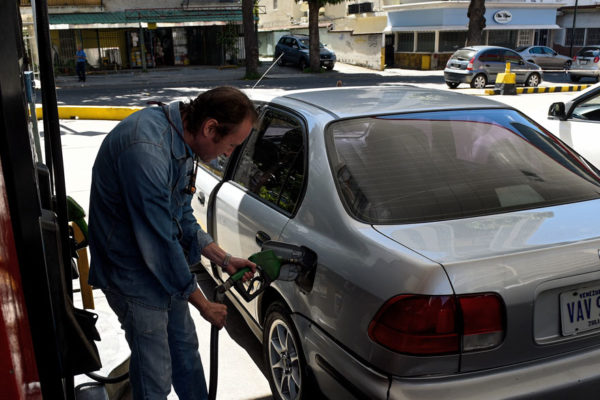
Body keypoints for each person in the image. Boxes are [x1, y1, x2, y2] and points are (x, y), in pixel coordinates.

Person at [88, 86, 258, 400]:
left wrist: (223, 258)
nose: (229, 154)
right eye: (231, 144)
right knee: (156, 376)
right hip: (131, 275)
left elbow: (180, 216)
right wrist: (203, 304)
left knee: (185, 352)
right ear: (210, 128)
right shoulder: (146, 149)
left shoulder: (181, 139)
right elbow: (159, 240)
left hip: (163, 269)